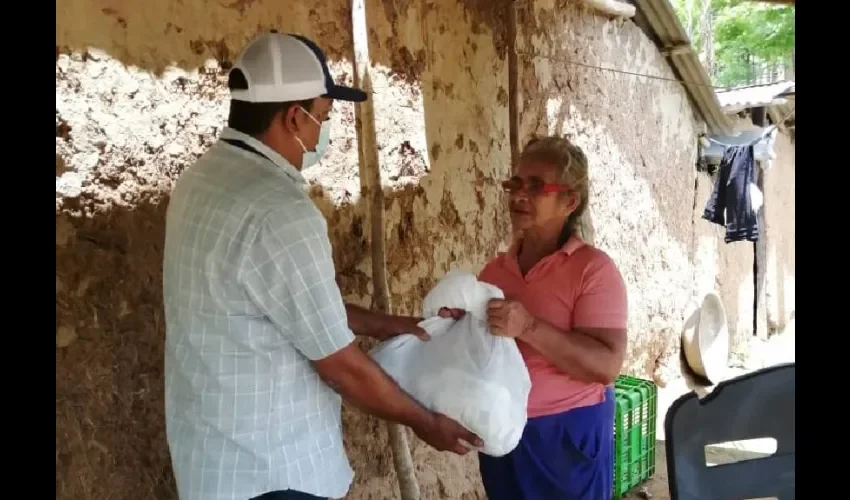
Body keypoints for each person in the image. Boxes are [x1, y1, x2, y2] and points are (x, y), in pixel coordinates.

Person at [162, 32, 481, 500]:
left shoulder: (202, 181)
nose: (323, 132)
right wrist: (426, 421)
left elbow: (291, 304)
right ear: (294, 117)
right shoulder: (280, 211)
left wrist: (398, 326)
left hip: (212, 464)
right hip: (273, 473)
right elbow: (340, 368)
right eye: (324, 117)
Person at [453, 136, 629, 499]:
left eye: (536, 187)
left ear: (569, 201)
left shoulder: (592, 270)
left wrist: (529, 327)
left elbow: (606, 366)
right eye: (515, 183)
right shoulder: (496, 271)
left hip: (565, 435)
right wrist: (460, 325)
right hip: (503, 429)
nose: (519, 195)